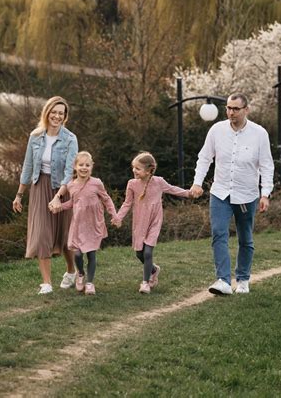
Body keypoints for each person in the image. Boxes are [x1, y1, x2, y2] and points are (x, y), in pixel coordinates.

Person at [190, 93, 274, 296]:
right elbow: (204, 158)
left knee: (245, 238)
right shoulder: (216, 130)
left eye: (235, 109)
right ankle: (223, 281)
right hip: (220, 193)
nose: (231, 112)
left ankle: (243, 279)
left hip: (247, 195)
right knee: (219, 233)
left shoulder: (259, 133)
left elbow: (266, 165)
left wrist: (265, 194)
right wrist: (197, 183)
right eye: (228, 108)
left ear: (246, 110)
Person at [12, 95, 78, 295]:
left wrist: (59, 196)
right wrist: (19, 195)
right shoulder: (35, 136)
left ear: (64, 116)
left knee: (65, 236)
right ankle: (47, 283)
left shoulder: (70, 139)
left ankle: (71, 271)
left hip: (62, 190)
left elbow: (69, 172)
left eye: (61, 113)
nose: (57, 116)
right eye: (54, 112)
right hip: (40, 188)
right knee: (41, 234)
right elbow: (28, 166)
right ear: (47, 112)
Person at [112, 151, 191, 294]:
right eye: (133, 167)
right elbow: (127, 203)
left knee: (148, 252)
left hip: (154, 221)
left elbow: (173, 189)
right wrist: (118, 217)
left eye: (137, 168)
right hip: (139, 222)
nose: (134, 171)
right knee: (139, 254)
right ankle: (154, 270)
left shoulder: (159, 182)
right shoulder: (132, 184)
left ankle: (145, 282)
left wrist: (188, 193)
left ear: (148, 170)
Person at [50, 151, 117, 295]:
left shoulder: (97, 183)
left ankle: (90, 283)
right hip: (78, 225)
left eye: (87, 165)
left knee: (91, 255)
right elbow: (73, 203)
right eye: (81, 165)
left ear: (91, 167)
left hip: (93, 224)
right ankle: (80, 273)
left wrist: (114, 215)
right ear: (75, 167)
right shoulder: (71, 185)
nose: (84, 168)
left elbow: (106, 199)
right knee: (79, 254)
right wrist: (59, 207)